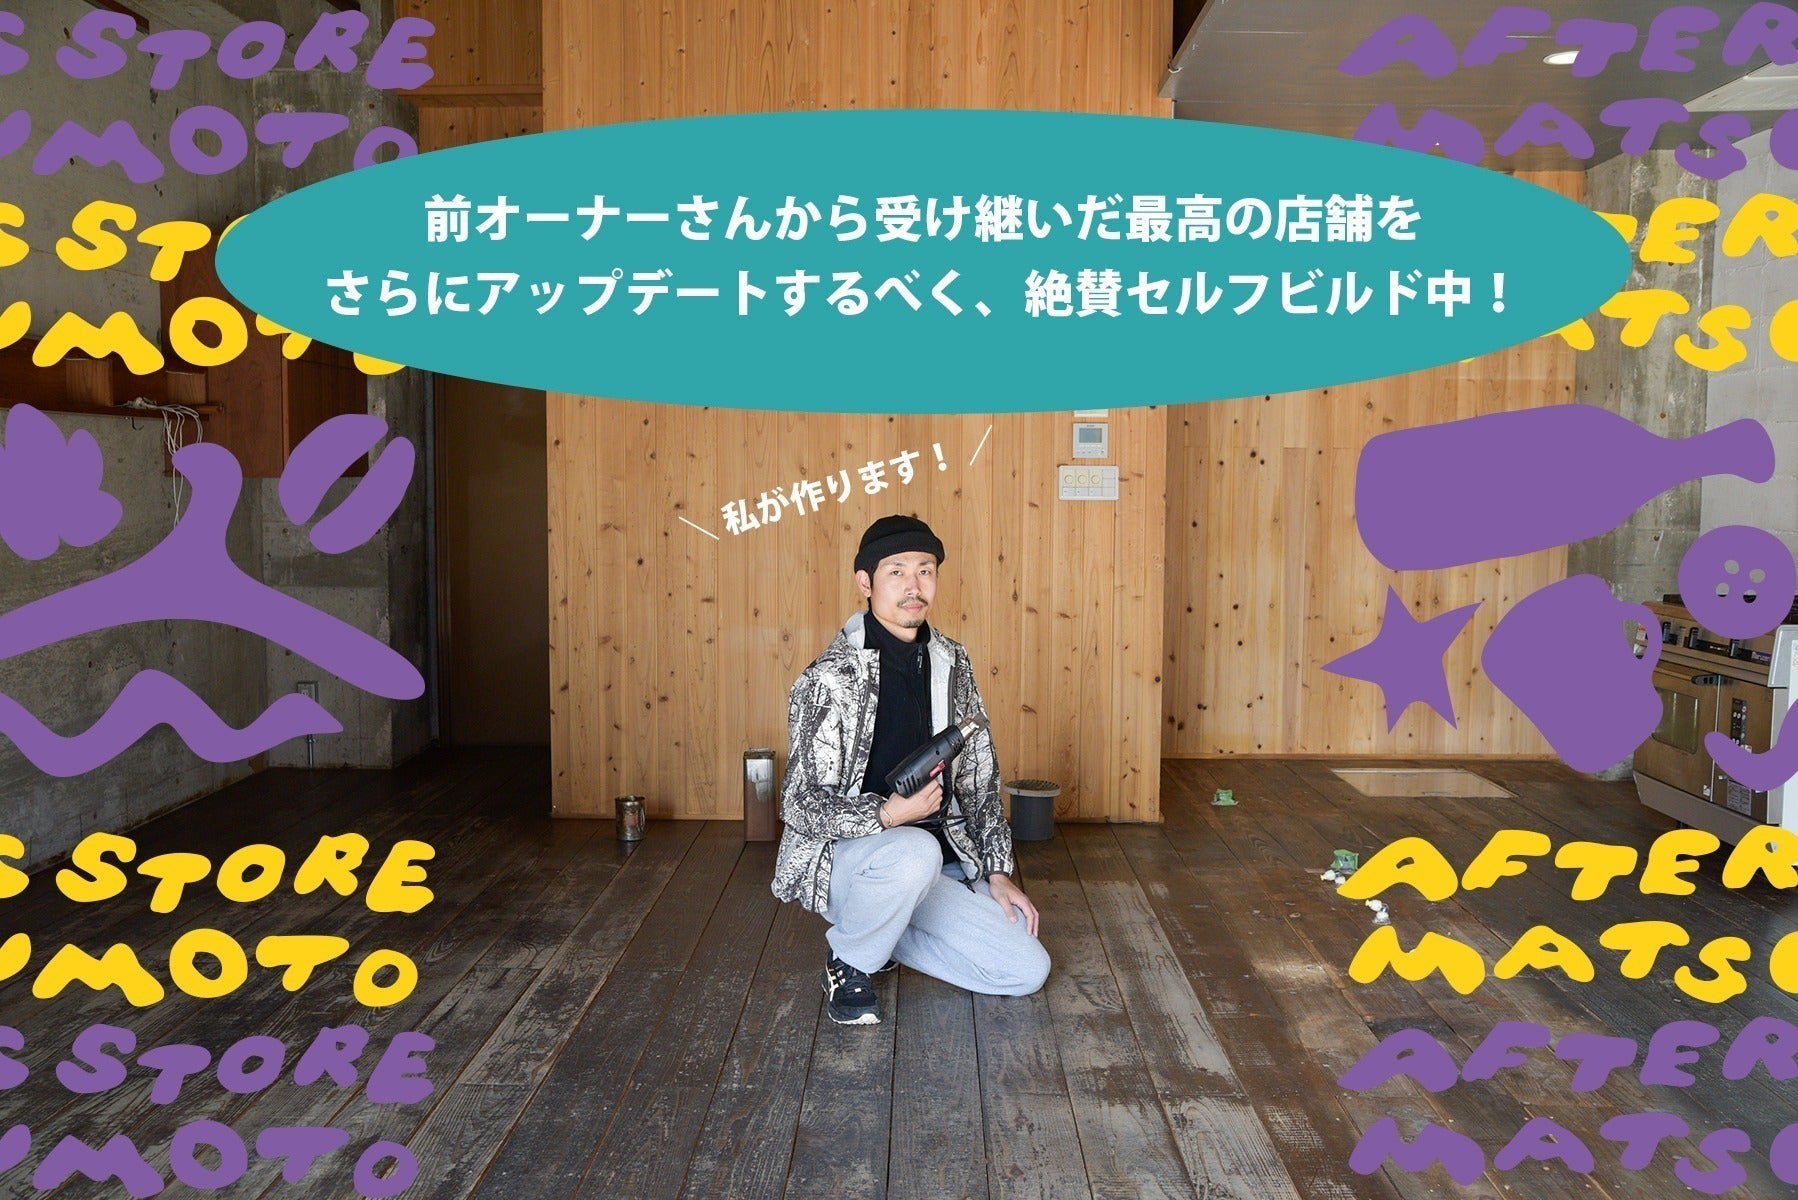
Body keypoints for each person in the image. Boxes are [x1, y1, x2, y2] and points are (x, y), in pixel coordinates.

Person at [771, 514, 1051, 1025]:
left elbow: (980, 783)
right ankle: (849, 959)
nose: (913, 586)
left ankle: (879, 934)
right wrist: (887, 815)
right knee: (914, 850)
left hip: (939, 866)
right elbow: (799, 804)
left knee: (1027, 969)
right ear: (865, 581)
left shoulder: (953, 663)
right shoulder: (829, 678)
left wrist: (997, 872)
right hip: (854, 863)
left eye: (925, 570)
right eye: (896, 571)